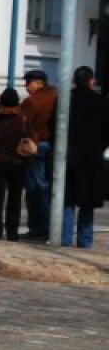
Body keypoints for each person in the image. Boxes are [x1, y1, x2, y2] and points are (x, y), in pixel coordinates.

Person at [60, 66, 109, 248]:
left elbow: (54, 127)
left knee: (68, 201)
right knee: (87, 202)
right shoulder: (100, 102)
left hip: (68, 156)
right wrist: (98, 148)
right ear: (91, 80)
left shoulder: (66, 100)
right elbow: (107, 131)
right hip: (91, 158)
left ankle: (64, 239)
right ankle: (85, 240)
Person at [0, 88, 30, 241]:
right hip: (16, 163)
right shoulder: (22, 120)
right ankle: (12, 233)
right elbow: (30, 137)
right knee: (14, 199)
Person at [20, 68, 57, 241]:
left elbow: (23, 124)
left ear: (38, 83)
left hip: (37, 146)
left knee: (36, 188)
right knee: (49, 188)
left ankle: (39, 227)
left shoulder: (32, 102)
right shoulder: (57, 96)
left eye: (28, 83)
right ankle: (52, 226)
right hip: (55, 146)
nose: (26, 87)